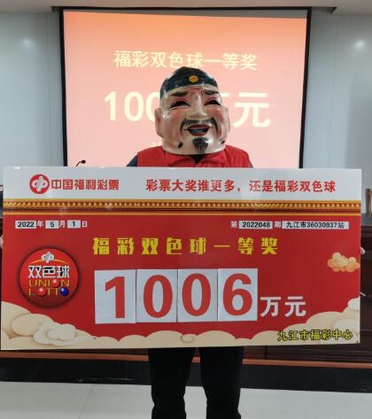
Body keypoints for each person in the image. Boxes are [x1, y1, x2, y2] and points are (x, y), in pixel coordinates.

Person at [128, 67, 252, 419]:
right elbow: (101, 221)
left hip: (227, 292)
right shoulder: (144, 162)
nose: (199, 112)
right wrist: (32, 237)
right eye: (181, 103)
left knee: (225, 392)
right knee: (167, 392)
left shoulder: (240, 161)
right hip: (164, 294)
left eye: (211, 101)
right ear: (159, 118)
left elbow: (270, 223)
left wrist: (331, 243)